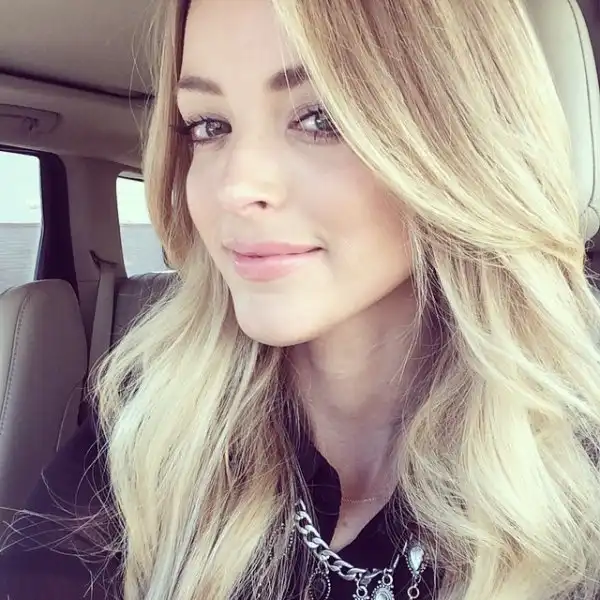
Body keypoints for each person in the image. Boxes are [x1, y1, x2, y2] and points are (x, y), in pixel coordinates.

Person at [2, 0, 600, 598]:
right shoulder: (147, 439)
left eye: (321, 118)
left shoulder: (578, 477)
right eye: (209, 126)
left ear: (461, 145)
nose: (236, 187)